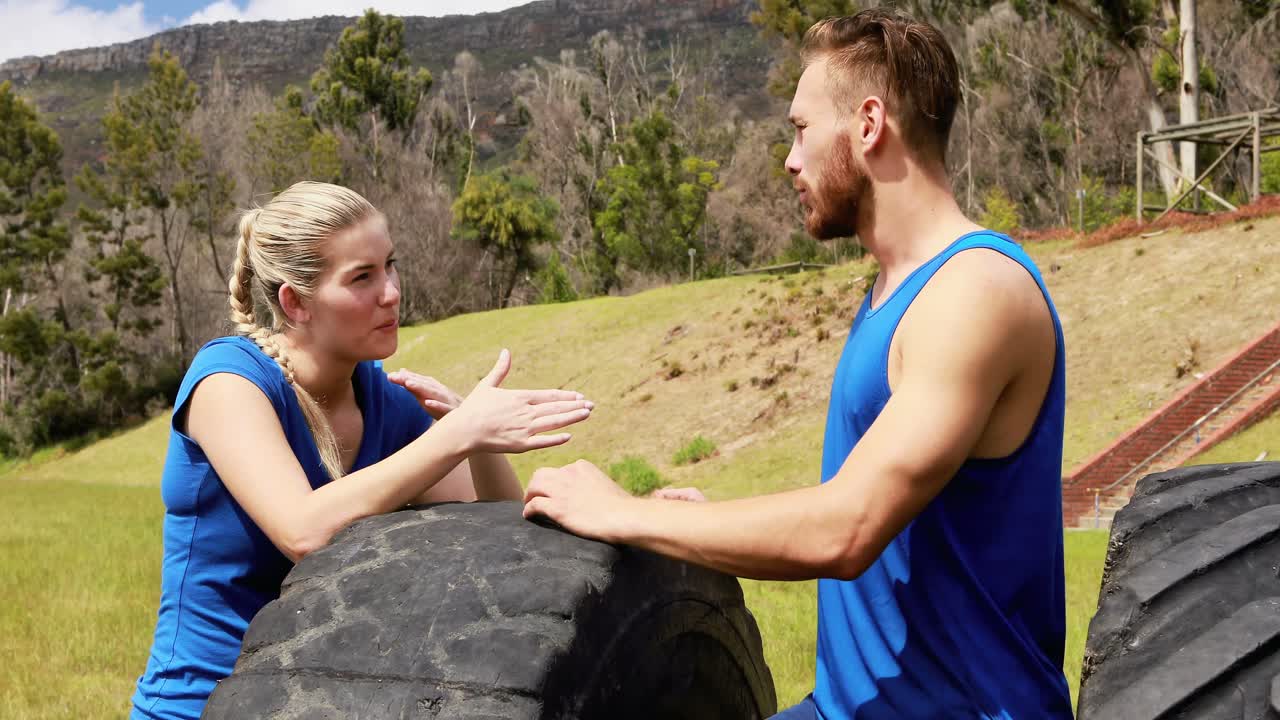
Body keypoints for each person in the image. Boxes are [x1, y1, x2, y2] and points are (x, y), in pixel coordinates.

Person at [522, 9, 1072, 719]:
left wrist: (619, 514)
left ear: (868, 124)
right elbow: (878, 492)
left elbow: (844, 529)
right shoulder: (894, 287)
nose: (789, 158)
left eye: (802, 129)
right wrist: (721, 519)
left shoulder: (974, 293)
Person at [131, 181, 594, 720]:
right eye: (362, 278)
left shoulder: (383, 399)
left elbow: (498, 527)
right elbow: (302, 530)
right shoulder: (229, 383)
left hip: (320, 702)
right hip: (201, 706)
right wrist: (455, 436)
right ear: (295, 302)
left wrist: (479, 439)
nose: (392, 292)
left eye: (390, 266)